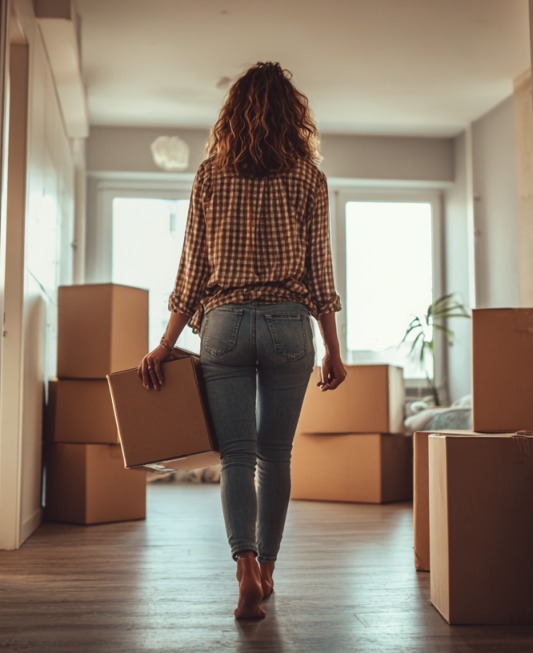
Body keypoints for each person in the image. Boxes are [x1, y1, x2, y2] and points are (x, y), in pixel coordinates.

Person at [137, 61, 346, 620]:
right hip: (289, 323)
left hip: (224, 324)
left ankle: (245, 568)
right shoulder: (309, 177)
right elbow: (321, 273)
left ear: (233, 113)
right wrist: (334, 348)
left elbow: (192, 270)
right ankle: (271, 570)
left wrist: (164, 343)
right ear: (292, 116)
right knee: (275, 455)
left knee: (236, 457)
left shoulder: (210, 173)